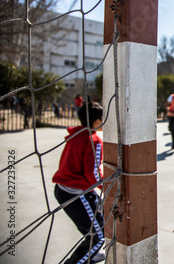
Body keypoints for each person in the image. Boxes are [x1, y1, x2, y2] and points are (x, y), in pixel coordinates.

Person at [52, 102, 105, 263]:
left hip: (65, 190)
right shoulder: (93, 140)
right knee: (99, 236)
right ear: (96, 121)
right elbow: (92, 173)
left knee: (100, 220)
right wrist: (107, 186)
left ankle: (93, 253)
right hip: (74, 193)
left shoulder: (77, 135)